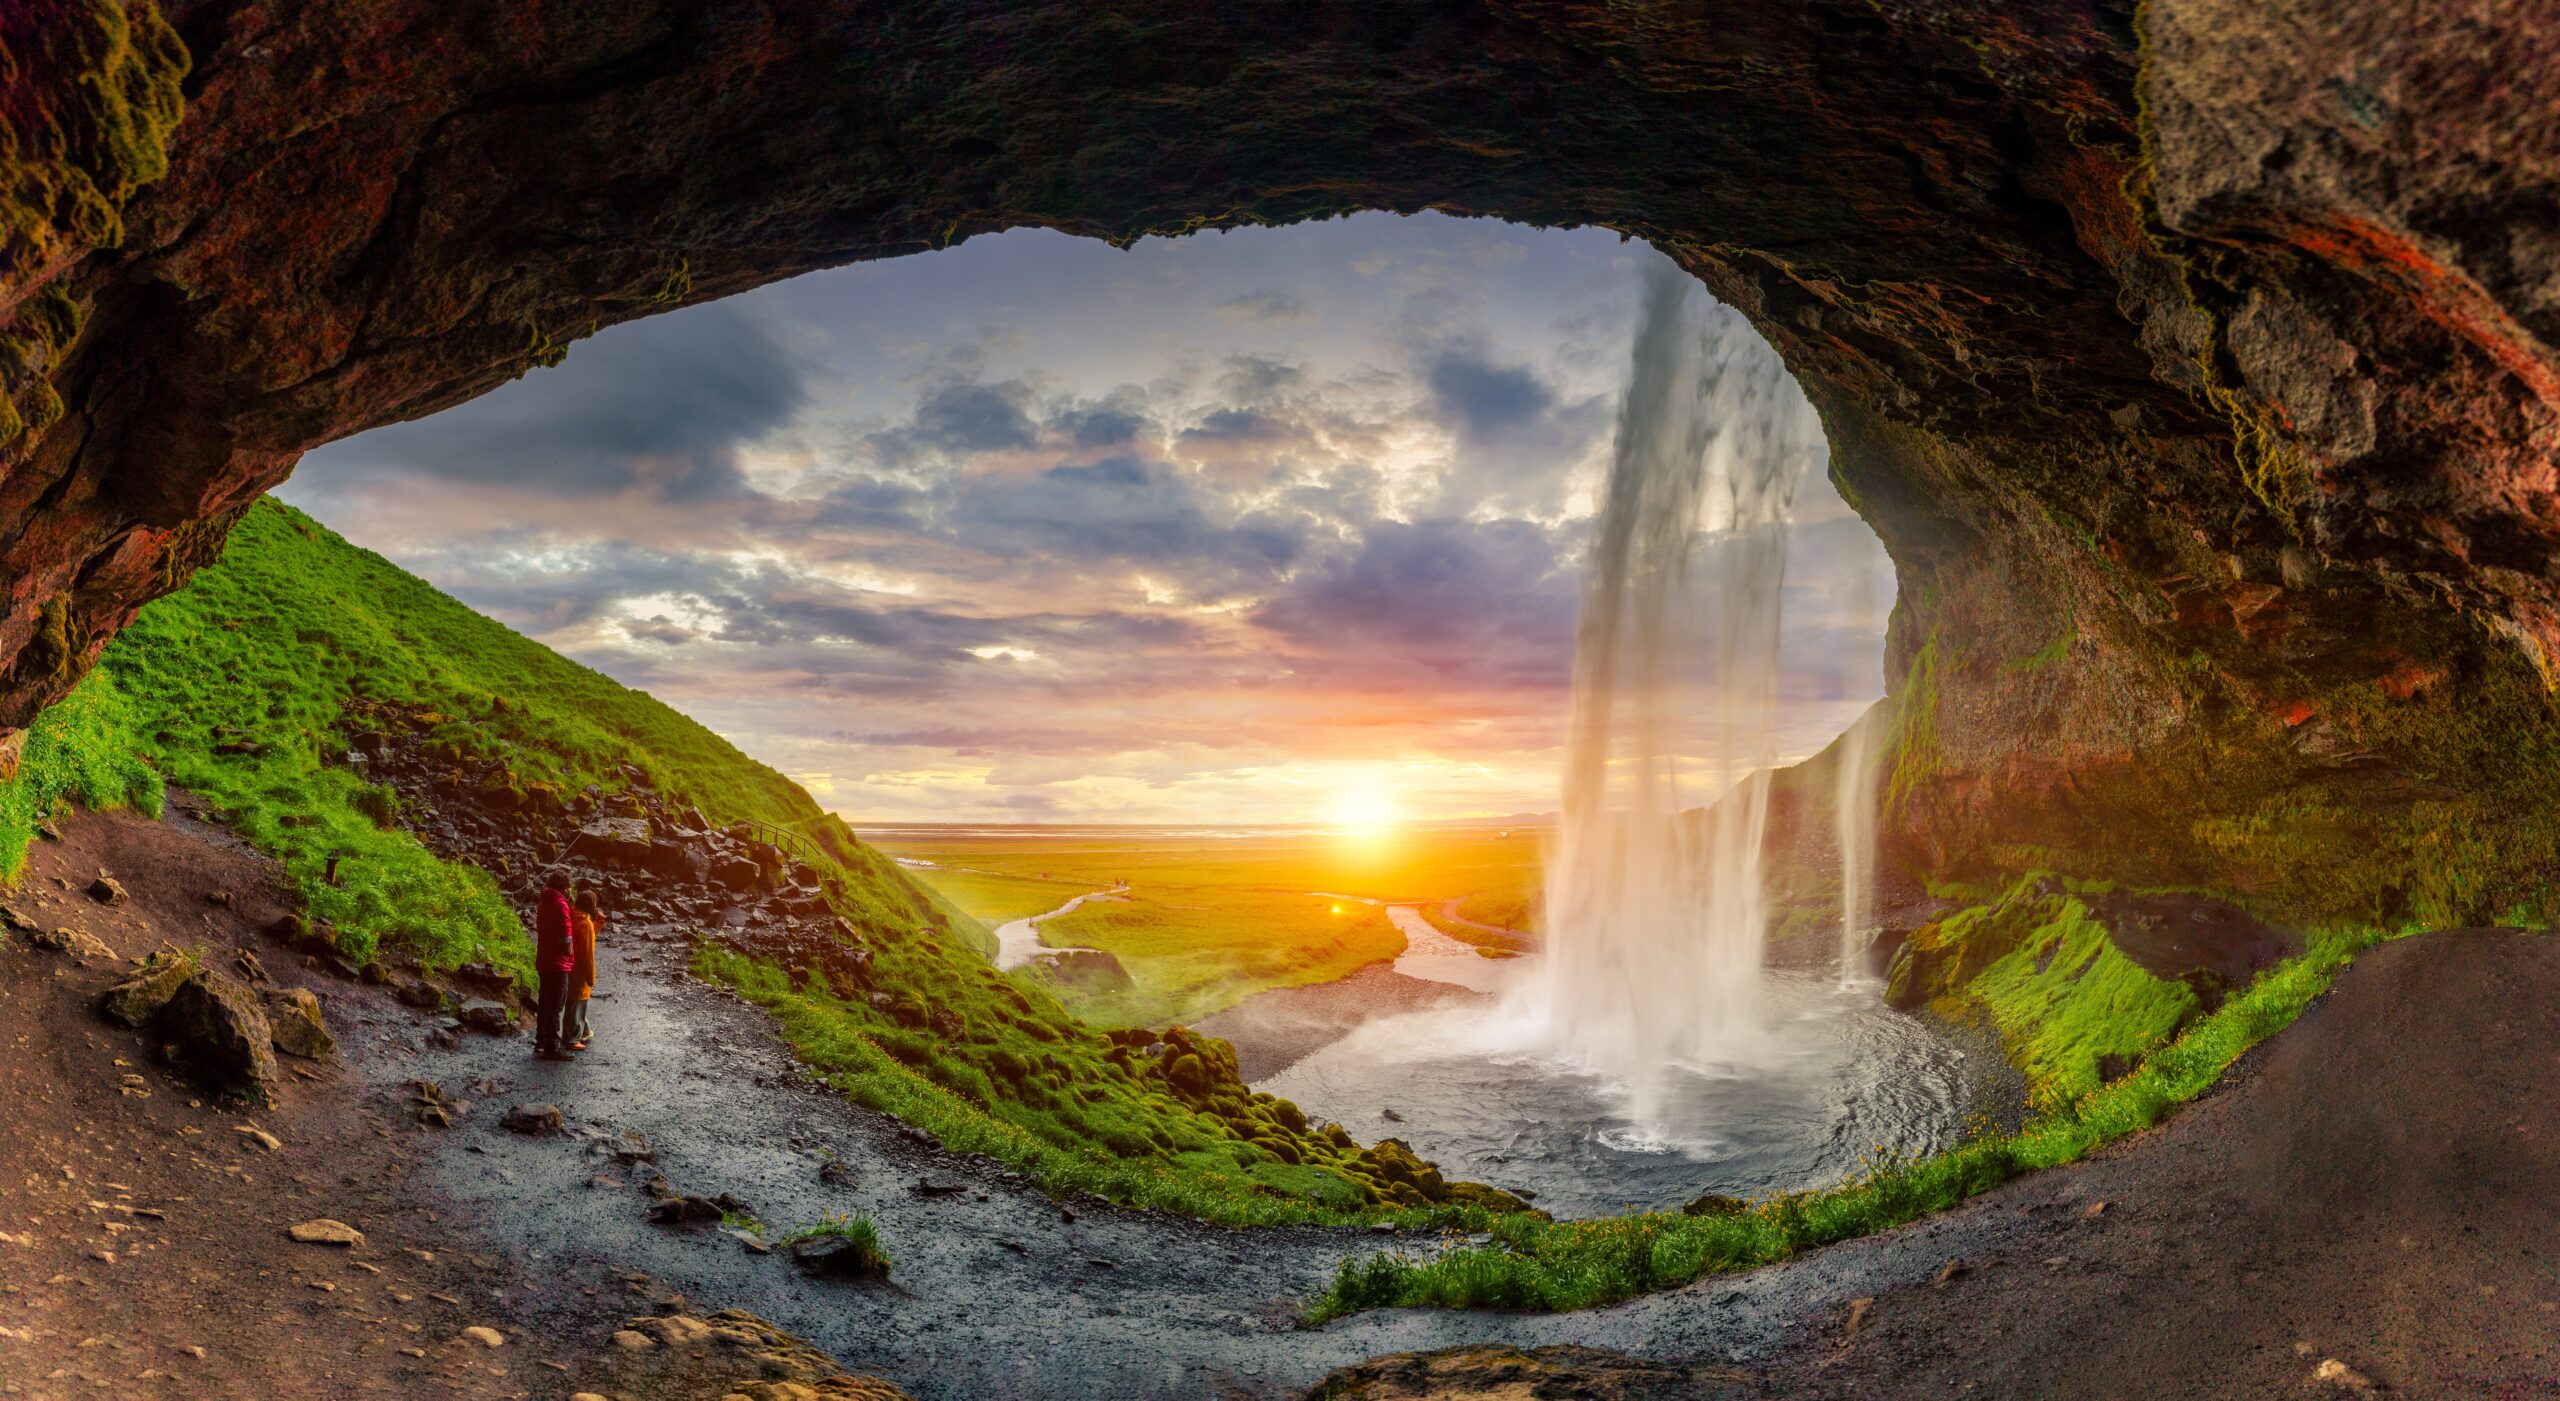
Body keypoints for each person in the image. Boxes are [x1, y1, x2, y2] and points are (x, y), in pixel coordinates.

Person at [533, 871, 576, 1061]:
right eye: (569, 888)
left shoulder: (543, 903)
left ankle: (541, 1042)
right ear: (564, 887)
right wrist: (571, 952)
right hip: (558, 963)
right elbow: (565, 939)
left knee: (545, 1002)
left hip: (544, 959)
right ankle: (553, 1046)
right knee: (556, 1004)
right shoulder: (561, 905)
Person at [565, 888, 603, 1050]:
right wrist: (591, 977)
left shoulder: (573, 915)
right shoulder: (585, 923)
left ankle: (584, 1032)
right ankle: (572, 1039)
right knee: (579, 1001)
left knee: (572, 1002)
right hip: (579, 969)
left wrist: (597, 924)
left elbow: (584, 935)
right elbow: (587, 953)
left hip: (569, 965)